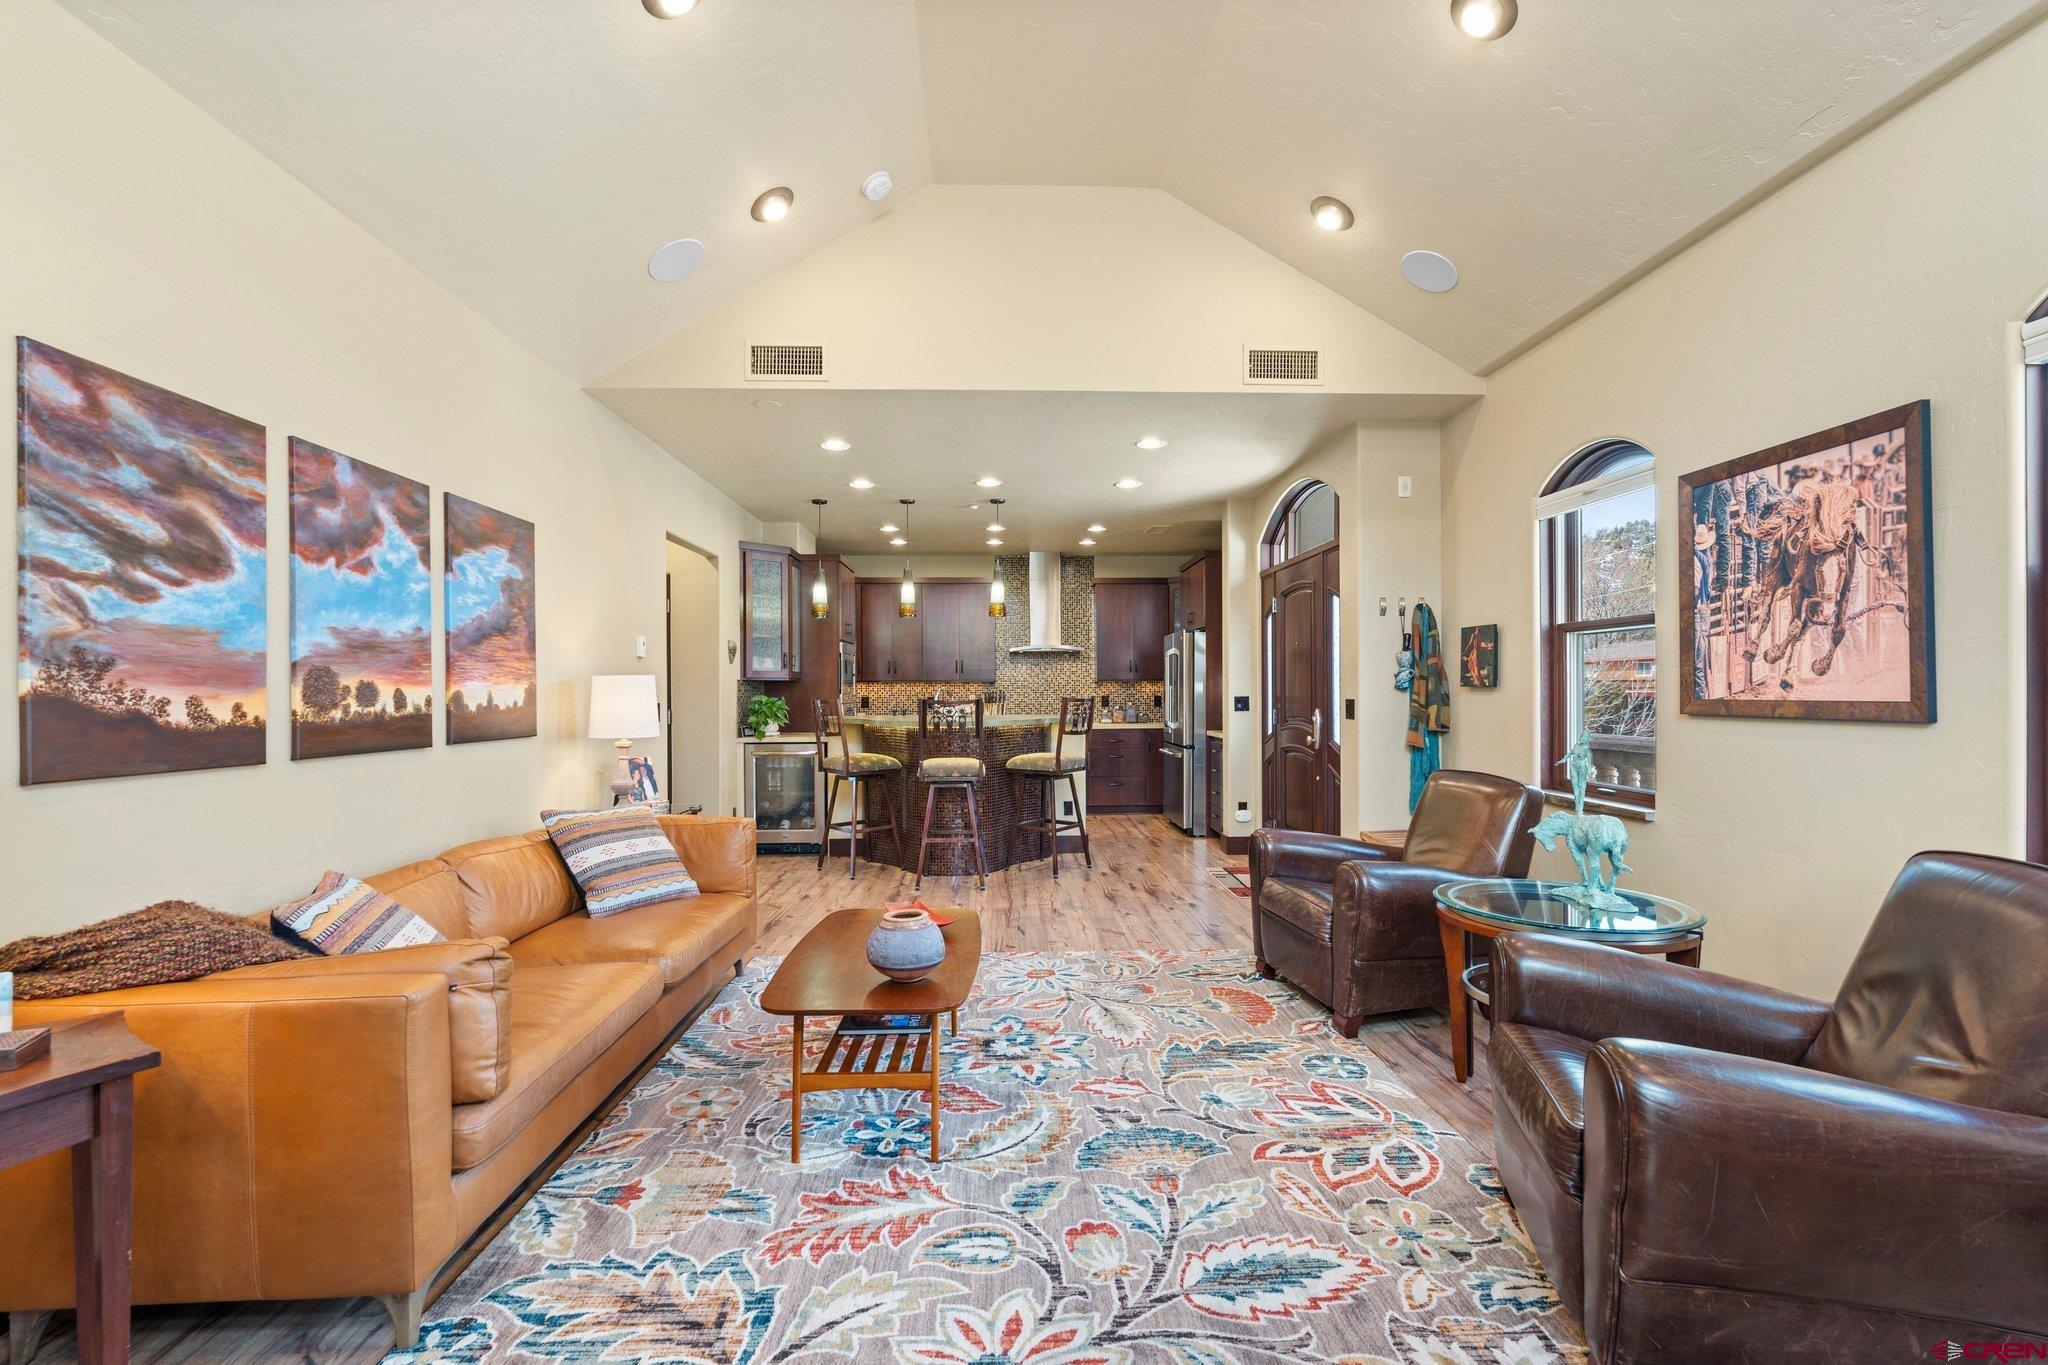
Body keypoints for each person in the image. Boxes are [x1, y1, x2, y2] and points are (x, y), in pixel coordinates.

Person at [1693, 521, 1718, 699]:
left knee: (1697, 657)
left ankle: (1700, 695)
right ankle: (1701, 695)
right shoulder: (1705, 560)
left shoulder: (1697, 560)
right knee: (1698, 657)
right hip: (1703, 608)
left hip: (1699, 609)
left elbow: (1696, 590)